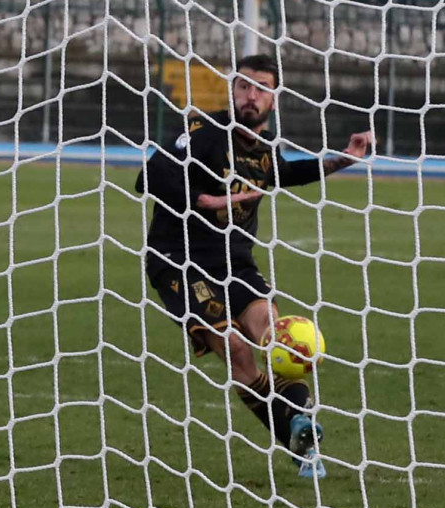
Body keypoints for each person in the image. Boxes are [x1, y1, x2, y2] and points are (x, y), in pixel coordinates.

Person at [134, 52, 373, 479]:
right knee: (238, 350)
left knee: (278, 334)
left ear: (273, 99)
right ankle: (296, 439)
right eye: (243, 85)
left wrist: (343, 159)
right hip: (180, 262)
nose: (250, 95)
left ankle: (301, 426)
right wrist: (202, 202)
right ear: (232, 90)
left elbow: (282, 173)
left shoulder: (263, 149)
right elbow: (150, 173)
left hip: (234, 262)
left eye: (261, 88)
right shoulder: (204, 131)